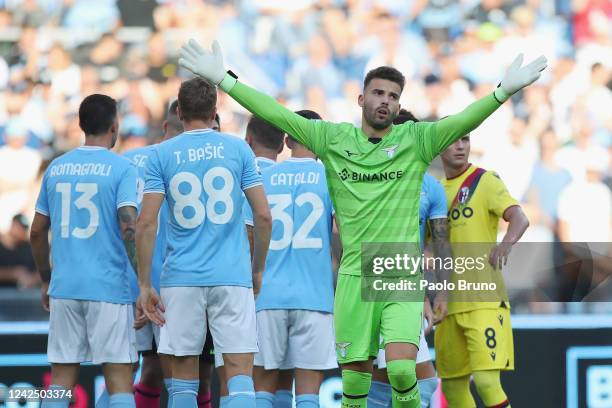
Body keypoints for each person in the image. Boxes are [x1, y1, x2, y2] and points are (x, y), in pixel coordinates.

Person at [179, 39, 546, 407]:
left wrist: (503, 92)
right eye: (378, 92)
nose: (385, 100)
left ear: (399, 105)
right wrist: (224, 80)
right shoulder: (333, 139)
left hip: (401, 271)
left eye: (393, 95)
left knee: (403, 371)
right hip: (356, 276)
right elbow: (278, 115)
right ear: (361, 100)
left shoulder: (415, 140)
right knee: (355, 386)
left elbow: (465, 119)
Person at [136, 77, 272, 408]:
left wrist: (144, 285)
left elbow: (146, 222)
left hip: (181, 277)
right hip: (232, 275)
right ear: (215, 111)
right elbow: (264, 216)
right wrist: (256, 272)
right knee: (239, 375)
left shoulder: (160, 154)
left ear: (179, 111)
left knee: (182, 381)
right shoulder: (238, 148)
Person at [30, 94, 139, 408]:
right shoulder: (123, 168)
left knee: (61, 380)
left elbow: (37, 231)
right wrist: (144, 282)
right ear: (114, 125)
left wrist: (46, 279)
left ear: (81, 125)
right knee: (119, 378)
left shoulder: (56, 168)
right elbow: (129, 227)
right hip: (108, 288)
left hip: (65, 287)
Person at [436, 133, 530, 407]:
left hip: (484, 301)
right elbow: (431, 247)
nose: (460, 146)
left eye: (465, 139)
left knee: (488, 382)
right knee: (452, 389)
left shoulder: (485, 180)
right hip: (449, 305)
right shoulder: (435, 191)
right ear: (438, 147)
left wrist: (505, 244)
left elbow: (519, 217)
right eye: (453, 140)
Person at [251, 109, 337, 408]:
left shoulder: (263, 176)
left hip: (268, 294)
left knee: (263, 384)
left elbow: (252, 231)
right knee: (309, 392)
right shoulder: (331, 177)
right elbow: (341, 234)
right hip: (314, 295)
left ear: (287, 140)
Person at [369, 110, 451, 408]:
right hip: (376, 281)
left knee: (386, 377)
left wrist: (438, 291)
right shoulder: (371, 177)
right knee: (417, 377)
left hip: (405, 283)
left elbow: (440, 242)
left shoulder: (431, 187)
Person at [122, 100, 182, 408]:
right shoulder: (186, 163)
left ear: (164, 126)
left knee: (134, 372)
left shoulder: (126, 161)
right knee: (178, 379)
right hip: (172, 284)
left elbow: (125, 226)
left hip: (128, 283)